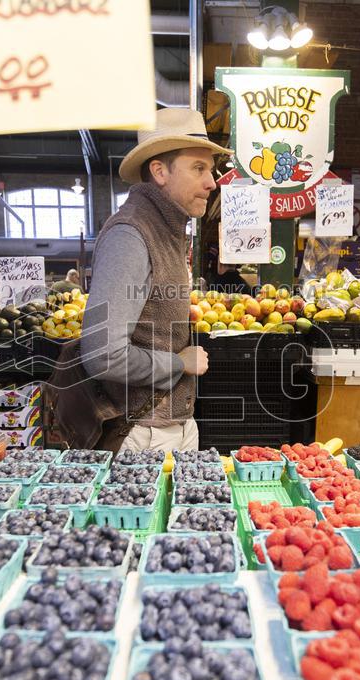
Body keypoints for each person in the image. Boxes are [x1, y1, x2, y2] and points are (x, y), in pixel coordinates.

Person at [80, 108, 231, 453]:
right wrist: (180, 363)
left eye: (211, 169)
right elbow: (102, 353)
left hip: (167, 426)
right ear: (160, 171)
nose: (212, 182)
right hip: (142, 434)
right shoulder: (130, 236)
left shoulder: (166, 230)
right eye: (199, 168)